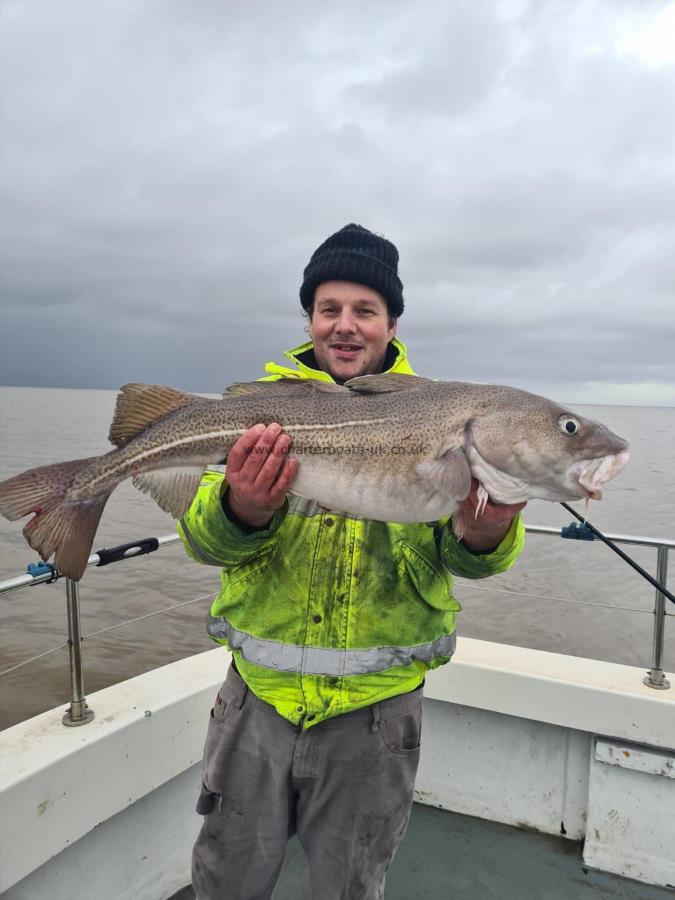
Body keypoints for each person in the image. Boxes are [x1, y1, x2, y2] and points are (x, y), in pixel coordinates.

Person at [179, 224, 526, 900]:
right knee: (224, 881)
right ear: (308, 319)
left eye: (363, 310)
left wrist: (484, 533)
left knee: (349, 888)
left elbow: (471, 560)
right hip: (257, 704)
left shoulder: (444, 415)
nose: (344, 326)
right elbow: (203, 541)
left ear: (390, 322)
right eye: (327, 309)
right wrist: (242, 508)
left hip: (375, 717)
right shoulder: (259, 413)